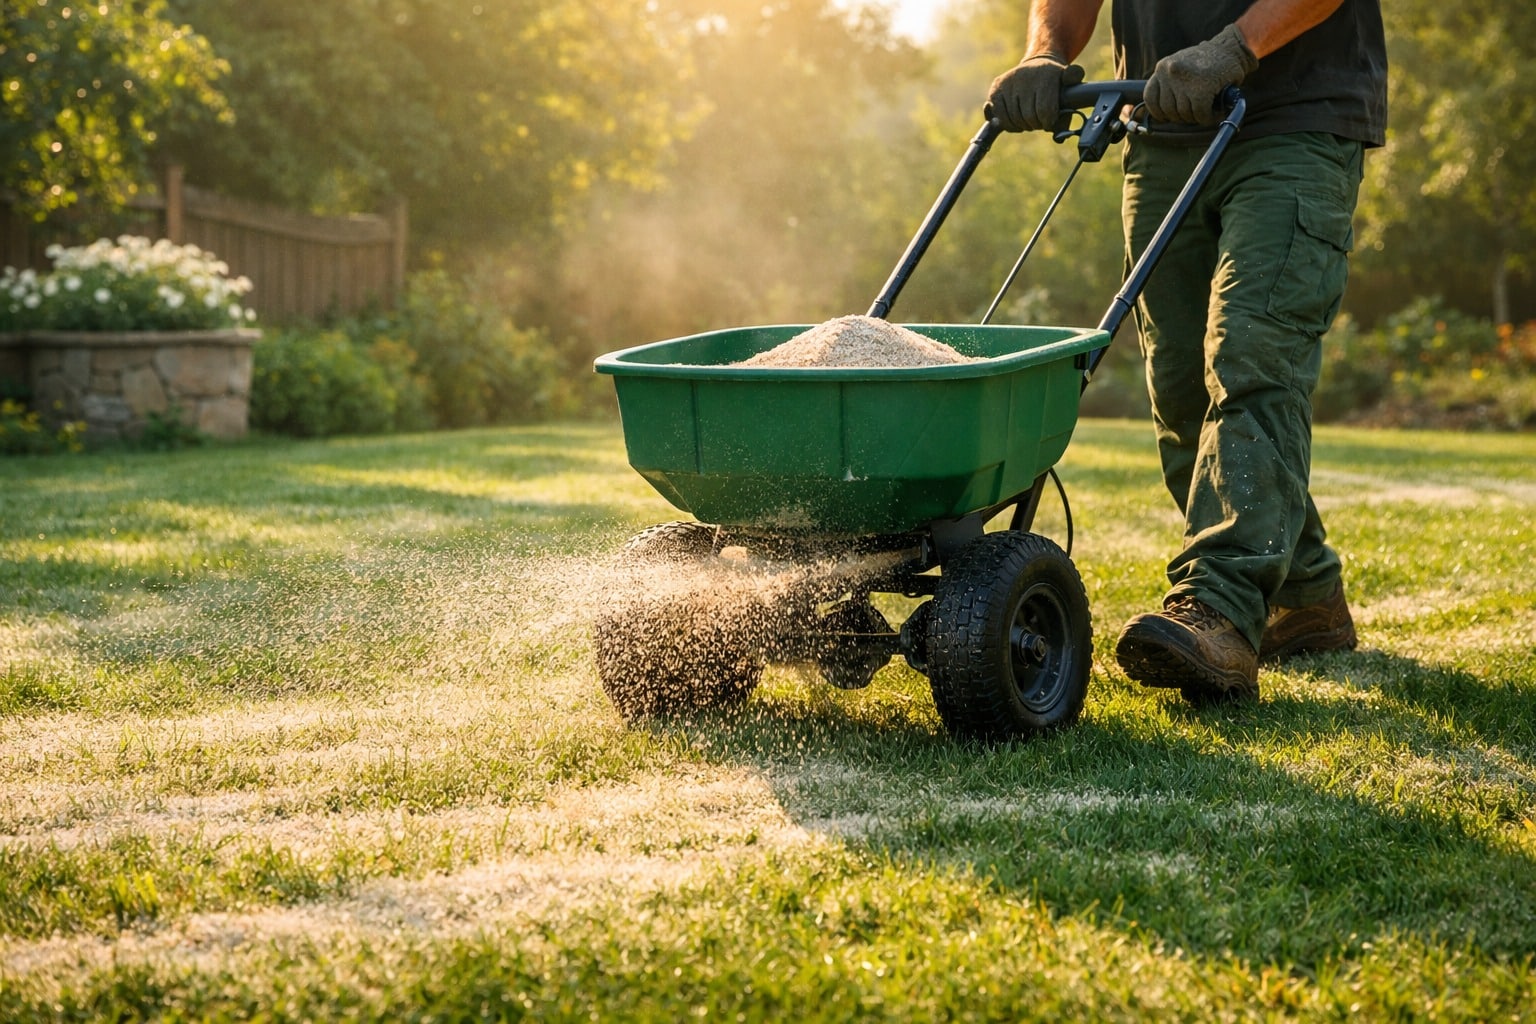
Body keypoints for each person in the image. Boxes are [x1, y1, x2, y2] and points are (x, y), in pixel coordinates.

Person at [988, 0, 1386, 704]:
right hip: (1160, 124)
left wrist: (1235, 48)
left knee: (1252, 356)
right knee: (1178, 385)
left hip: (1292, 119)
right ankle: (1306, 594)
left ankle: (1222, 608)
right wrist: (1044, 51)